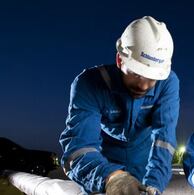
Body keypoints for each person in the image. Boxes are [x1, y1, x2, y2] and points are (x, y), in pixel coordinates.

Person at [59, 16, 179, 195]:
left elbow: (164, 140)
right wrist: (111, 177)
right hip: (101, 166)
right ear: (120, 60)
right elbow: (79, 146)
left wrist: (155, 183)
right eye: (138, 73)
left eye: (152, 77)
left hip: (144, 167)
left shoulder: (168, 83)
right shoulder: (88, 84)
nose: (144, 86)